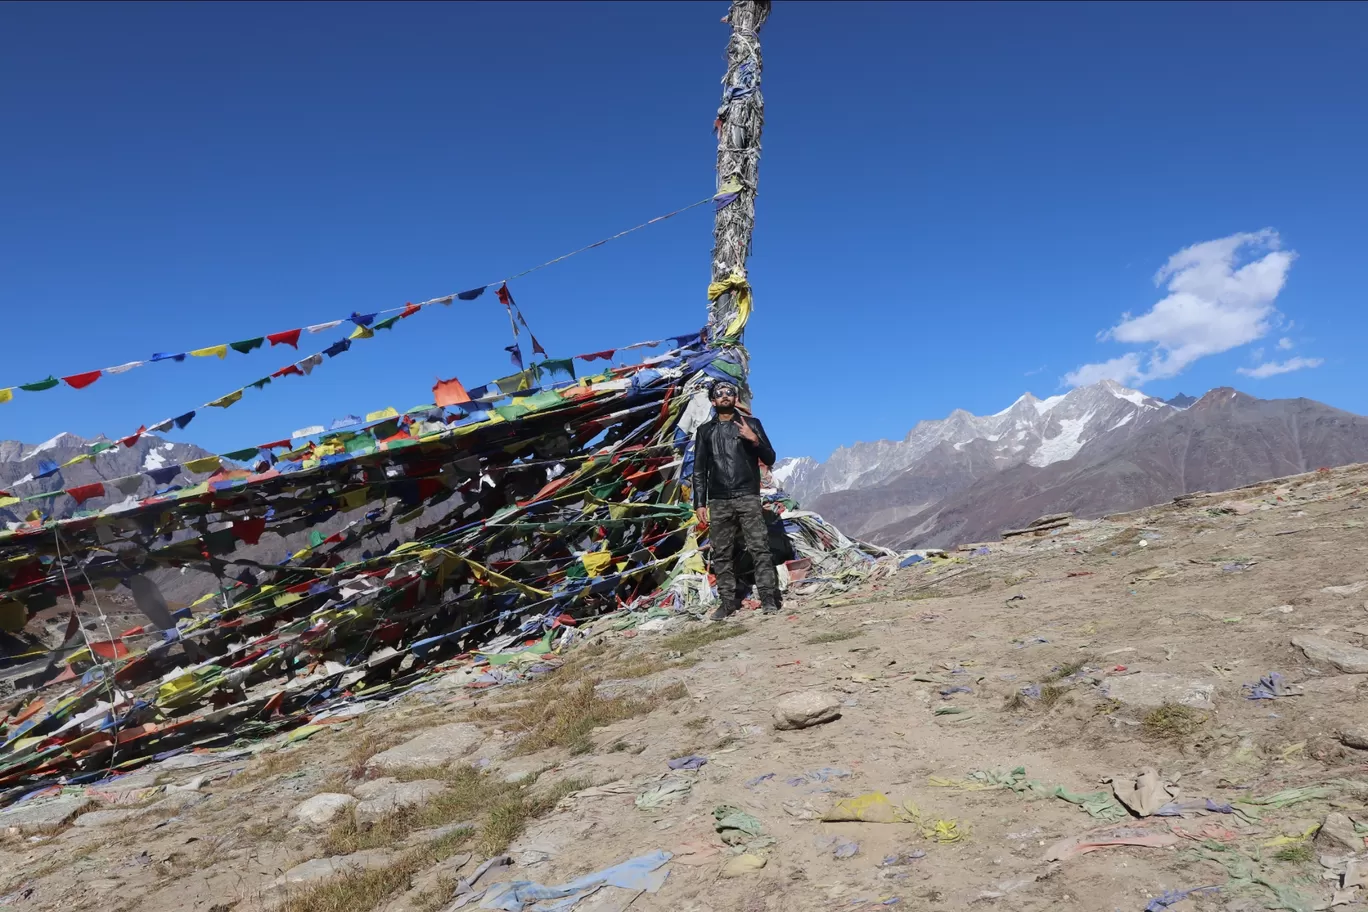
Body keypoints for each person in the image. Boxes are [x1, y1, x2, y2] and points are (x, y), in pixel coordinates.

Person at [691, 380, 781, 620]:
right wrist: (699, 503)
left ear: (735, 398)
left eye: (729, 392)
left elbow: (770, 457)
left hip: (747, 496)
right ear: (713, 401)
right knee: (721, 552)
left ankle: (769, 599)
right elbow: (699, 470)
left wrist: (754, 439)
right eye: (719, 393)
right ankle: (728, 602)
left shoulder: (751, 424)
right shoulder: (704, 431)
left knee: (760, 548)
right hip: (718, 500)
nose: (724, 396)